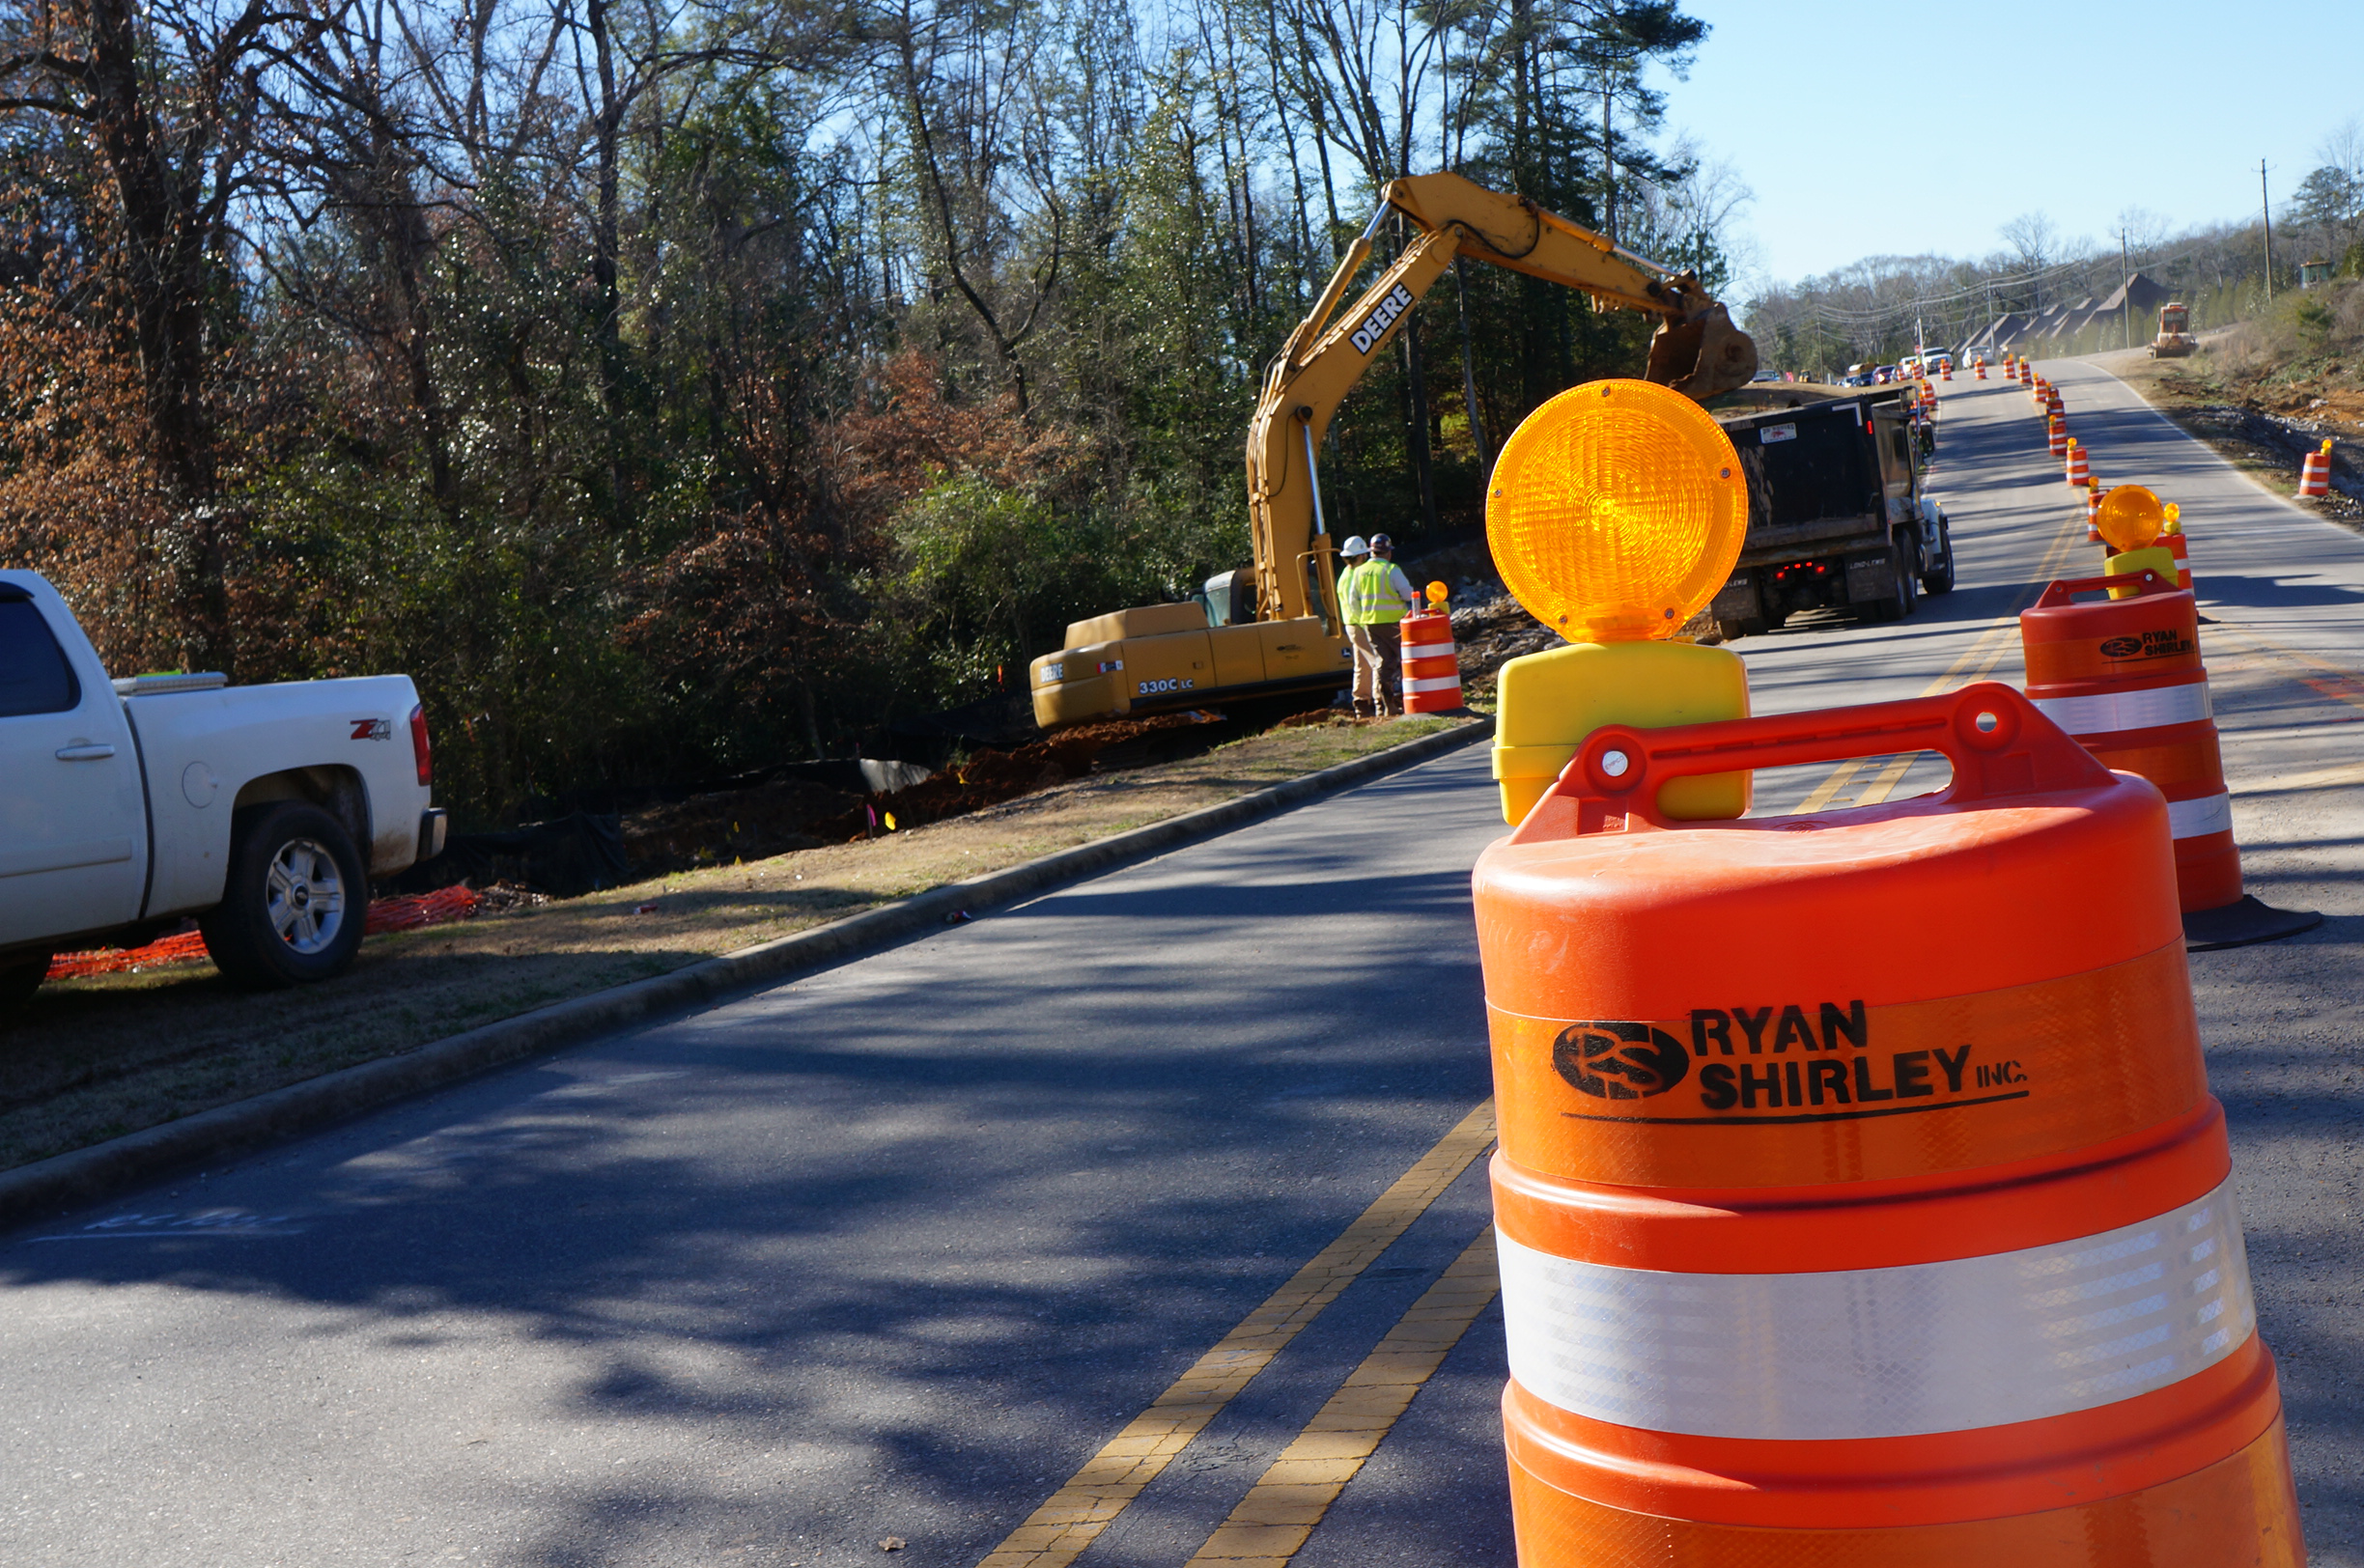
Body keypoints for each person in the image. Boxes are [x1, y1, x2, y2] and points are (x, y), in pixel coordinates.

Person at [1340, 532, 1415, 717]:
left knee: (1382, 664)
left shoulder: (1357, 572)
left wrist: (1364, 618)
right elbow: (1408, 595)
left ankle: (1385, 707)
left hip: (1370, 625)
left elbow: (1352, 601)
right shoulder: (1391, 570)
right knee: (1407, 661)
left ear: (1371, 553)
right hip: (1394, 625)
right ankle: (1412, 699)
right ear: (1388, 552)